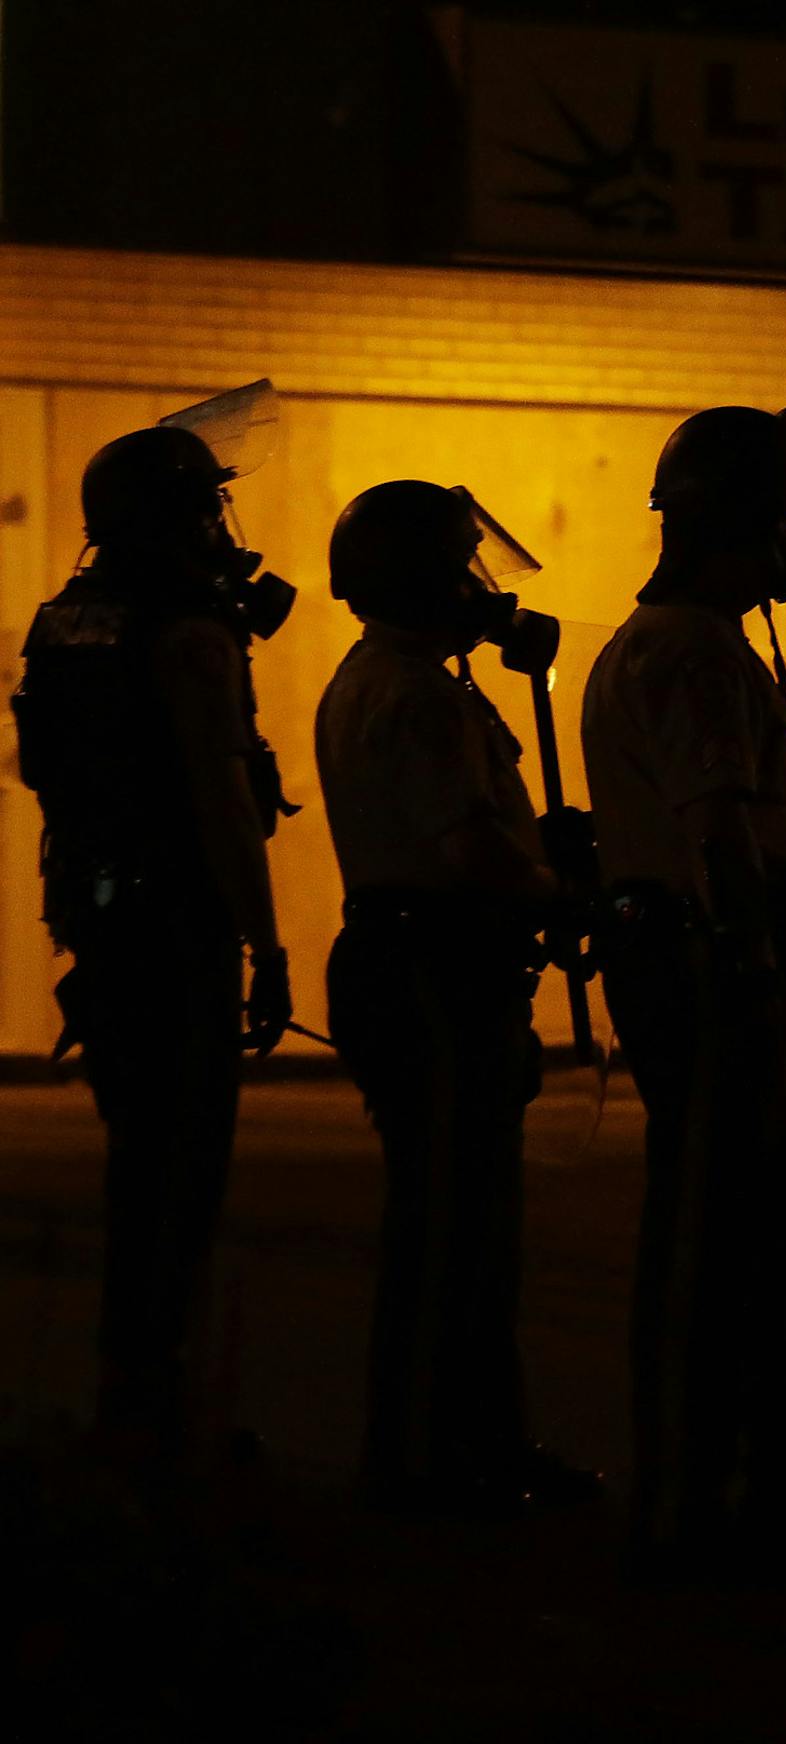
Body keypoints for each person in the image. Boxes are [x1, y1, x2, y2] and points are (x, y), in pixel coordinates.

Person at [581, 407, 786, 1578]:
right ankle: (710, 1502)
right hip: (707, 971)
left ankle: (731, 1488)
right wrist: (760, 951)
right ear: (756, 520)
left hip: (686, 962)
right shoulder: (695, 648)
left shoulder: (669, 640)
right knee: (727, 1235)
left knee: (739, 1225)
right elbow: (717, 827)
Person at [10, 411, 294, 1476]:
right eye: (212, 505)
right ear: (184, 515)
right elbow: (223, 797)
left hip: (98, 916)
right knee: (182, 1175)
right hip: (178, 924)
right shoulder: (190, 631)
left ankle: (132, 1401)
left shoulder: (69, 620)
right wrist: (265, 945)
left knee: (141, 1166)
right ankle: (158, 1417)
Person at [316, 479, 597, 1515]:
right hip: (434, 967)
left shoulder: (380, 675)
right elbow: (467, 847)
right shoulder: (420, 693)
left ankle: (461, 1442)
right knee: (454, 1225)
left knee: (455, 1216)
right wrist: (561, 887)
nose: (481, 588)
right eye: (462, 565)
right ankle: (436, 1458)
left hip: (412, 958)